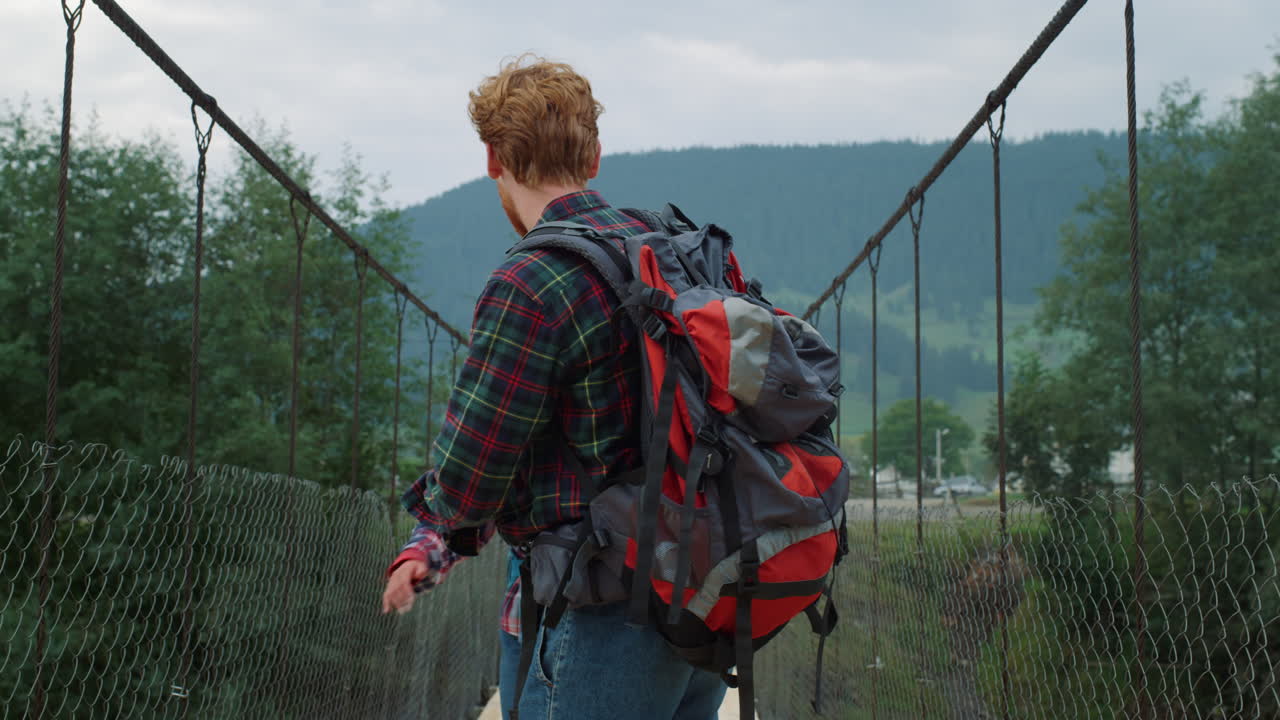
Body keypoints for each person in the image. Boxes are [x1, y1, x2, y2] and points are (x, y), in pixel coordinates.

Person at [380, 54, 729, 720]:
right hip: (702, 593)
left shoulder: (532, 282)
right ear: (595, 157)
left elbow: (473, 470)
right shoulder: (672, 249)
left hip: (605, 616)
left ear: (492, 159)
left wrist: (430, 538)